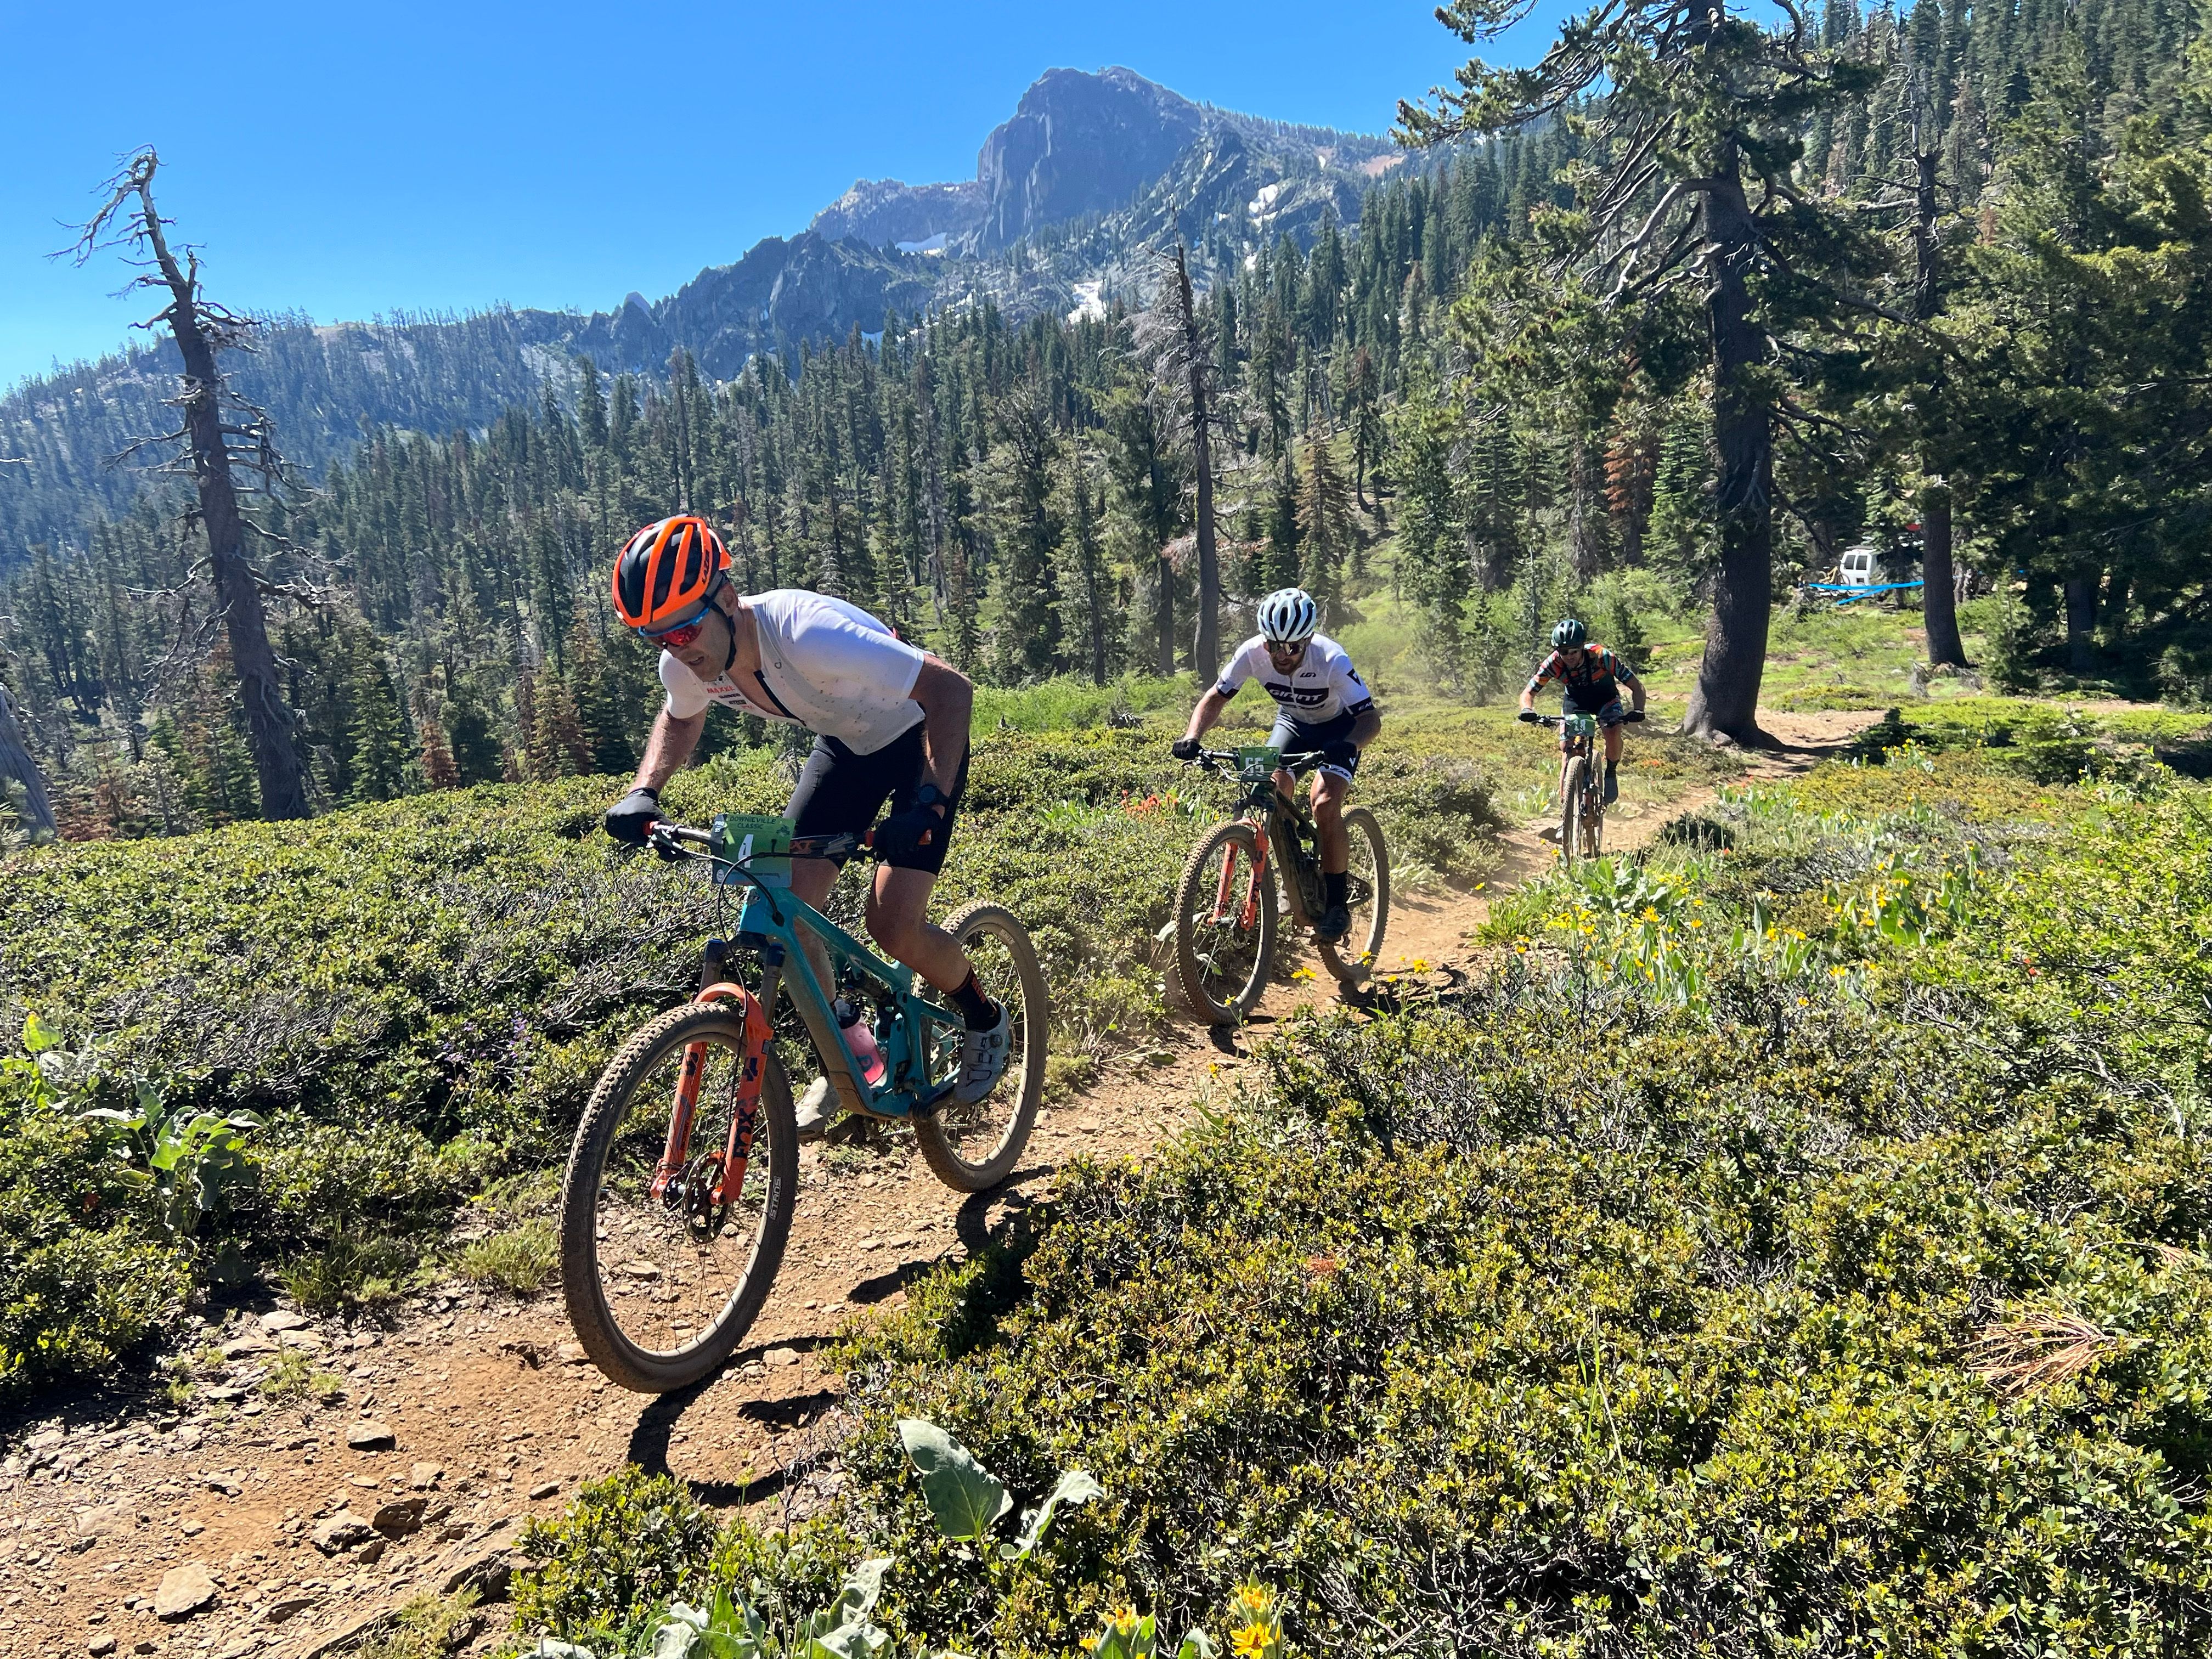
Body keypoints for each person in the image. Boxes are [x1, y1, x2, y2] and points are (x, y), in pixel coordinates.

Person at [599, 514, 1008, 1135]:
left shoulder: (810, 633)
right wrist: (643, 791)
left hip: (917, 738)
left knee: (893, 923)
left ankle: (984, 1019)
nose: (678, 649)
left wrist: (927, 802)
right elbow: (681, 718)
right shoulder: (686, 664)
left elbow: (950, 689)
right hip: (846, 749)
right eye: (657, 639)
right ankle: (851, 1051)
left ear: (728, 600)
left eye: (684, 628)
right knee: (783, 906)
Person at [1171, 588, 1381, 942]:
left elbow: (1370, 721)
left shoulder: (1332, 659)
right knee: (1262, 789)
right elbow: (1215, 698)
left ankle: (1337, 905)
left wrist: (1348, 745)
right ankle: (1291, 876)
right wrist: (1192, 737)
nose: (1282, 655)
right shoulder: (1251, 653)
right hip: (1294, 725)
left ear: (1309, 639)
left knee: (1325, 804)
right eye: (1274, 645)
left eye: (1293, 647)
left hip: (1340, 729)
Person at [1517, 617, 1646, 805]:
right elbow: (1528, 692)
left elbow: (1636, 686)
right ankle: (1566, 810)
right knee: (1568, 752)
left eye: (1574, 651)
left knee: (1613, 730)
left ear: (1583, 647)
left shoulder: (1602, 656)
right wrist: (1527, 709)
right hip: (1576, 704)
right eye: (1563, 652)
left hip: (1606, 700)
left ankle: (1611, 771)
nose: (1569, 656)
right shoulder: (1553, 663)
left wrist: (1638, 710)